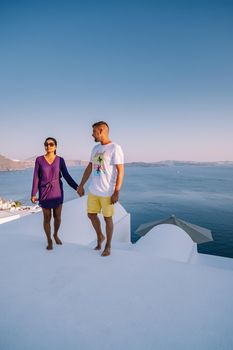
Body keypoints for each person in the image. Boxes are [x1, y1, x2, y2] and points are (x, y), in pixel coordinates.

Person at [78, 121, 124, 256]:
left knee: (107, 218)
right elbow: (89, 167)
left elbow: (120, 171)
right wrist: (81, 185)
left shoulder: (115, 148)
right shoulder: (95, 149)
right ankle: (100, 236)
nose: (92, 134)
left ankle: (108, 246)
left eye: (93, 132)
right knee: (91, 215)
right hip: (94, 190)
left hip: (107, 192)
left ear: (101, 130)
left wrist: (116, 192)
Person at [31, 137, 79, 250]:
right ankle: (49, 240)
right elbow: (36, 177)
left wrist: (77, 187)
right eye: (46, 144)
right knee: (47, 218)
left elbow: (66, 175)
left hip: (57, 190)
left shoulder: (60, 160)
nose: (48, 146)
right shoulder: (39, 160)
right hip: (44, 191)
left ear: (55, 146)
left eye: (51, 144)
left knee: (57, 217)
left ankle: (55, 234)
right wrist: (33, 193)